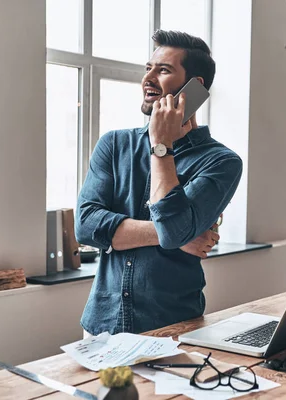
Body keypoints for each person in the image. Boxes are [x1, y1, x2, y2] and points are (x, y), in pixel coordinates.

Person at [75, 30, 243, 336]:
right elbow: (86, 226)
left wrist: (160, 146)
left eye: (163, 70)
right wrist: (174, 235)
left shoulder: (221, 162)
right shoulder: (114, 145)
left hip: (174, 327)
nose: (148, 79)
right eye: (147, 69)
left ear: (195, 88)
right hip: (101, 326)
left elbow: (173, 228)